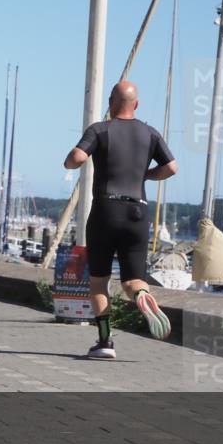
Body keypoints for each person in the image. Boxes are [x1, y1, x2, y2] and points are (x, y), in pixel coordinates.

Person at [64, 80, 178, 360]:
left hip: (106, 211)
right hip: (137, 212)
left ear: (110, 103)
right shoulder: (150, 133)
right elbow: (171, 167)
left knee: (99, 282)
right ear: (136, 104)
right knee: (133, 280)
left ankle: (104, 342)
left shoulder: (100, 130)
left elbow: (77, 158)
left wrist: (70, 162)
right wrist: (146, 175)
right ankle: (141, 295)